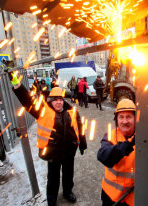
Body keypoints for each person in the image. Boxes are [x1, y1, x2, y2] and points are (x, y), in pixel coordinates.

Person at [8, 70, 87, 206]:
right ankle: (52, 199)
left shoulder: (72, 112)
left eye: (60, 99)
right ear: (50, 100)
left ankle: (68, 192)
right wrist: (16, 83)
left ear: (63, 100)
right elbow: (27, 100)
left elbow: (80, 128)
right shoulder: (42, 110)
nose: (58, 102)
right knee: (53, 178)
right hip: (52, 152)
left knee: (68, 174)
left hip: (69, 150)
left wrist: (82, 143)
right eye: (55, 100)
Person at [97, 98, 136, 206]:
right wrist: (129, 144)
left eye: (129, 117)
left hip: (132, 199)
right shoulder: (110, 136)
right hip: (110, 196)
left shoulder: (144, 138)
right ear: (116, 119)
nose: (124, 121)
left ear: (135, 118)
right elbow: (103, 157)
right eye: (121, 117)